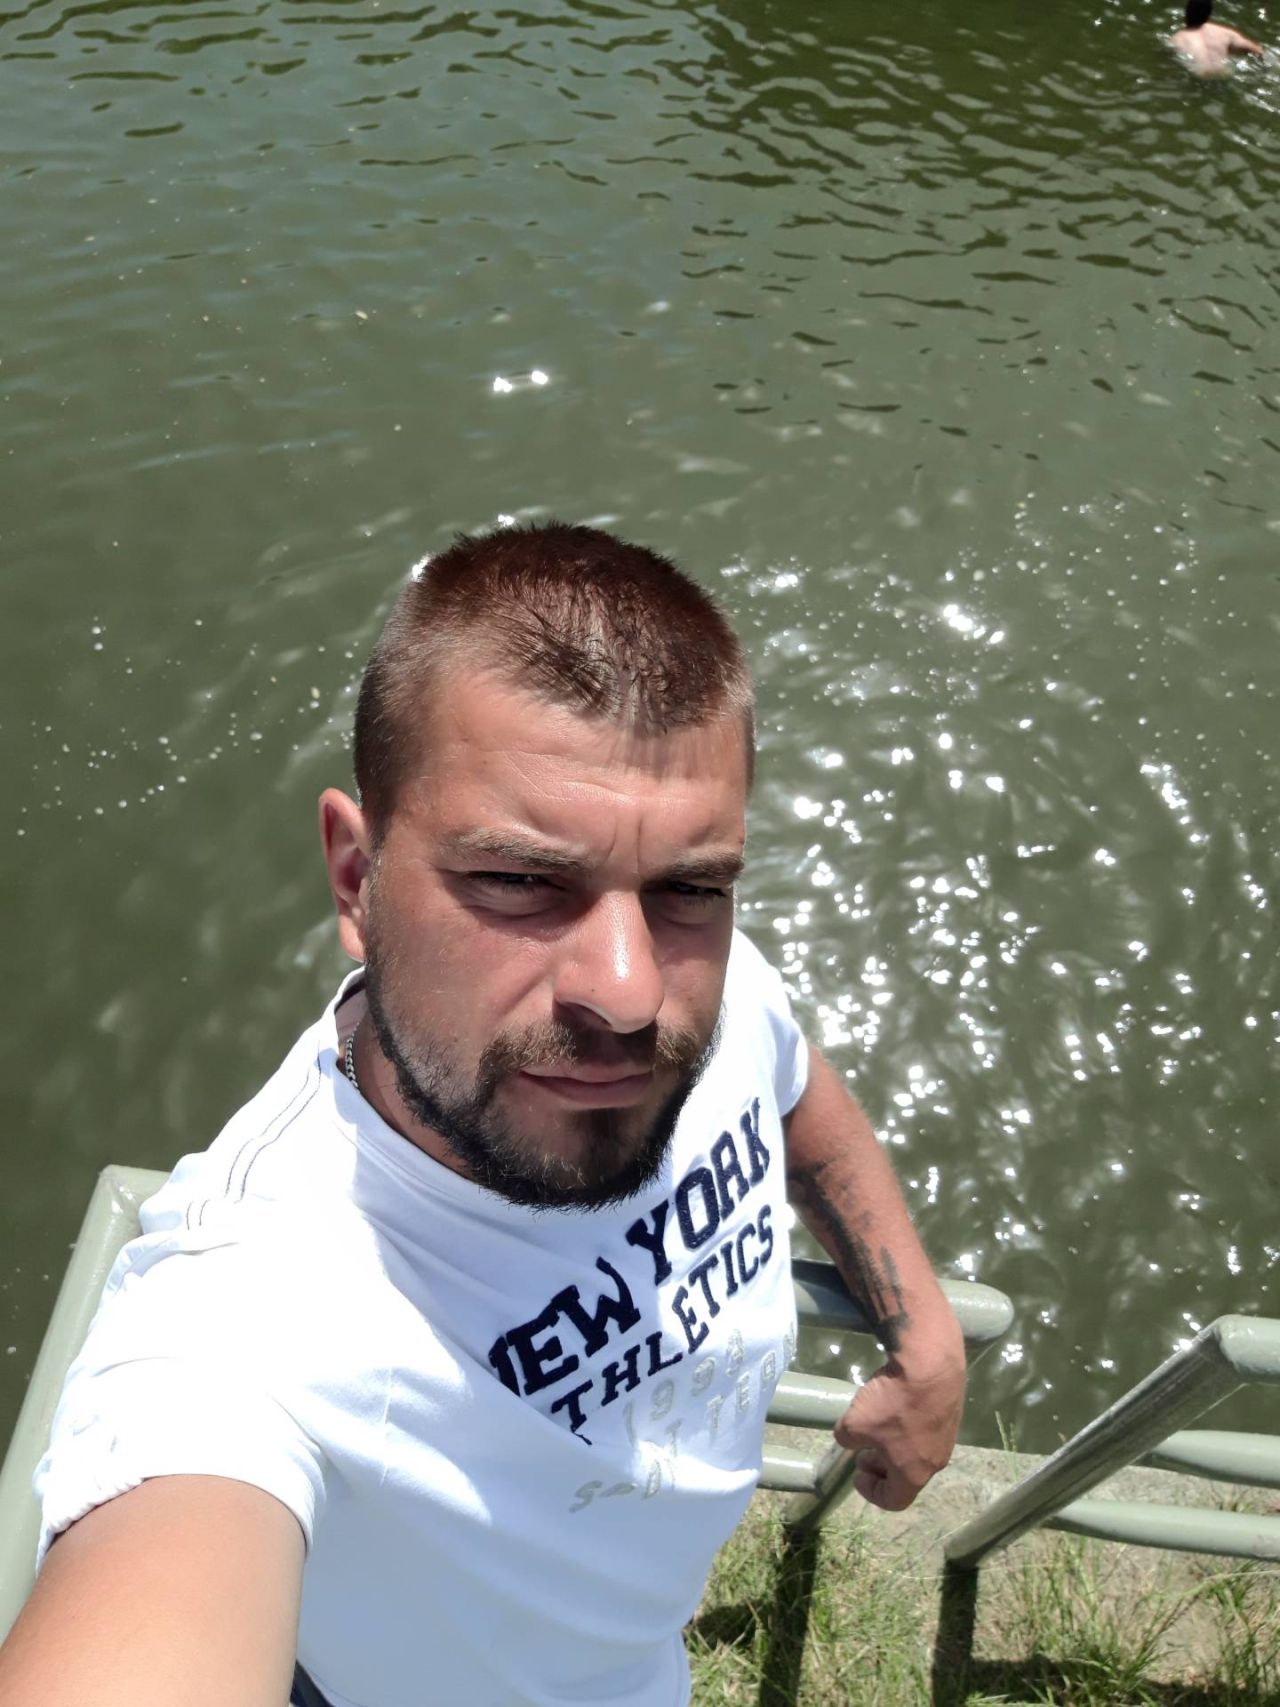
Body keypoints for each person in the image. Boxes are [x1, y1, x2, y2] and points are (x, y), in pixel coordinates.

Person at [0, 524, 966, 1707]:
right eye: (517, 881)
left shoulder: (706, 976)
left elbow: (792, 1089)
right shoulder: (243, 1321)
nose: (627, 992)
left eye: (692, 885)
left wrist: (921, 1332)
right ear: (354, 879)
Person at [1169, 0, 1265, 74]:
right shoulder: (1225, 33)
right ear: (1208, 15)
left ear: (1186, 13)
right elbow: (1258, 51)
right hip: (1224, 74)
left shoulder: (1178, 38)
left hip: (1199, 78)